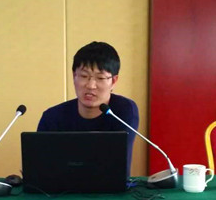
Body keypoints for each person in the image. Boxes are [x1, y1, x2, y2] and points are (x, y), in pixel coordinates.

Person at [37, 41, 139, 174]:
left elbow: (114, 164)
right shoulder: (52, 117)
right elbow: (41, 166)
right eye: (84, 76)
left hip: (108, 186)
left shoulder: (123, 111)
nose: (91, 85)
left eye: (100, 78)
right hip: (60, 186)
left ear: (113, 81)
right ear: (74, 76)